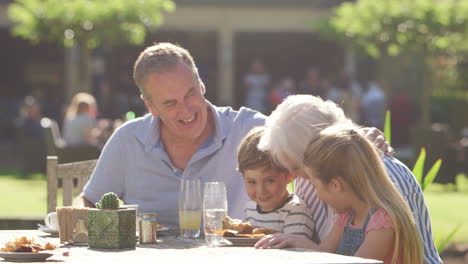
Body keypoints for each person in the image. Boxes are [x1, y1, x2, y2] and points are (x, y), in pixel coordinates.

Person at [74, 42, 390, 227]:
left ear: (202, 86)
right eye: (170, 103)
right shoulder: (128, 140)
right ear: (150, 106)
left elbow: (308, 132)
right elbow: (86, 204)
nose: (186, 110)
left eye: (190, 94)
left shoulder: (250, 129)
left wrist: (356, 138)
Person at [255, 95, 442, 264]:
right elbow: (325, 249)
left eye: (296, 167)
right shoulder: (324, 190)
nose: (293, 177)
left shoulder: (382, 179)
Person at [297, 124, 422, 263]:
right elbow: (324, 251)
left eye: (315, 186)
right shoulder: (347, 215)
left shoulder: (382, 222)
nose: (317, 195)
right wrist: (296, 242)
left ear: (336, 185)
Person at [237, 126, 315, 240]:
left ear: (289, 176)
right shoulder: (251, 208)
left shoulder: (295, 212)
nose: (261, 191)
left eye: (270, 180)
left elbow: (296, 250)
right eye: (252, 182)